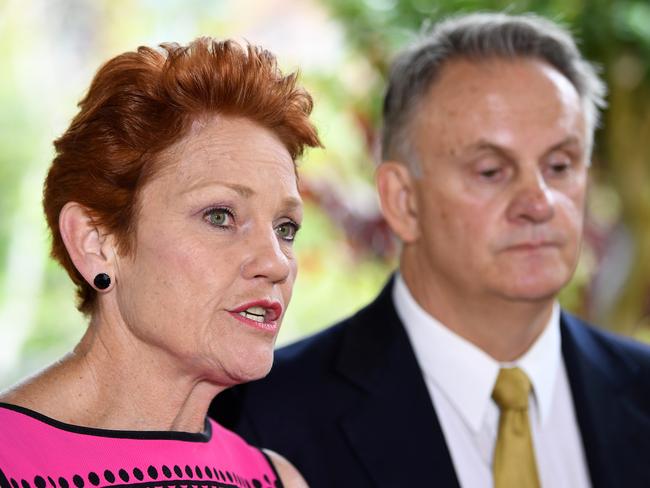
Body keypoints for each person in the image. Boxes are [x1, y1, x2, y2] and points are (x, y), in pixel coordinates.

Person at [210, 12, 650, 488]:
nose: (539, 202)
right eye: (491, 171)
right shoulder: (258, 421)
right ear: (403, 200)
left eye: (560, 165)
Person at [0, 37, 320, 488]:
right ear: (96, 241)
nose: (276, 262)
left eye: (285, 227)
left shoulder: (276, 478)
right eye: (220, 216)